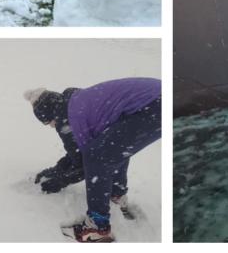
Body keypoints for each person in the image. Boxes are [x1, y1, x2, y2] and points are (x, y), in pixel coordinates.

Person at [24, 77, 161, 242]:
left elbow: (82, 165)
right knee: (112, 148)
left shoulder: (68, 118)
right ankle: (116, 195)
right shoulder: (75, 103)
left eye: (49, 123)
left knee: (98, 157)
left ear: (51, 115)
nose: (52, 127)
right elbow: (78, 155)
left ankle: (96, 227)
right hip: (158, 99)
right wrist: (55, 170)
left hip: (154, 105)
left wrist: (55, 182)